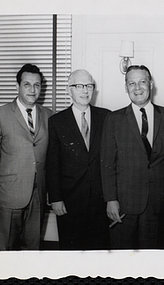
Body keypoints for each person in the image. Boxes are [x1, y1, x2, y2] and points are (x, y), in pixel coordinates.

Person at [100, 65, 164, 249]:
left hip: (159, 205)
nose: (137, 88)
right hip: (125, 205)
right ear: (126, 87)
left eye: (142, 82)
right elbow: (107, 164)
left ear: (151, 84)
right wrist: (111, 200)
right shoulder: (113, 119)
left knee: (153, 259)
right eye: (131, 83)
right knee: (122, 258)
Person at [0, 64, 53, 250]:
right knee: (8, 248)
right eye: (27, 84)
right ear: (17, 86)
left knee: (33, 247)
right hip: (9, 194)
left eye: (37, 85)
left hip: (38, 194)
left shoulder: (49, 116)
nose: (32, 90)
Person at [46, 69, 110, 250]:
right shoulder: (56, 122)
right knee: (71, 253)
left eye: (89, 86)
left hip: (100, 202)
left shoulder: (106, 117)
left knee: (100, 254)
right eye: (79, 86)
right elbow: (52, 164)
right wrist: (56, 199)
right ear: (69, 90)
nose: (85, 91)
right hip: (70, 202)